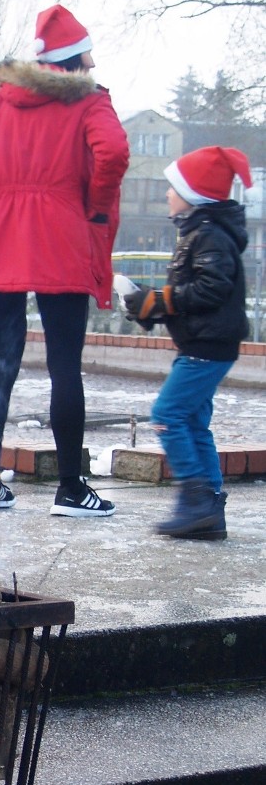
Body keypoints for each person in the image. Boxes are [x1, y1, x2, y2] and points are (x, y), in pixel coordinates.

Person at [0, 4, 130, 516]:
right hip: (61, 236)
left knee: (1, 363)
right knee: (65, 366)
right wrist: (95, 208)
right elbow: (115, 152)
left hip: (2, 237)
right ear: (75, 60)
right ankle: (72, 489)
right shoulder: (88, 102)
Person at [123, 146, 252, 540]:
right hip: (207, 343)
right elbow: (192, 292)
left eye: (172, 187)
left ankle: (195, 500)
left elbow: (211, 289)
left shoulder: (209, 233)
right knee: (194, 422)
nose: (166, 193)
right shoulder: (202, 231)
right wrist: (147, 303)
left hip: (207, 346)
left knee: (168, 414)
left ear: (194, 194)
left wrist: (161, 300)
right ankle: (209, 510)